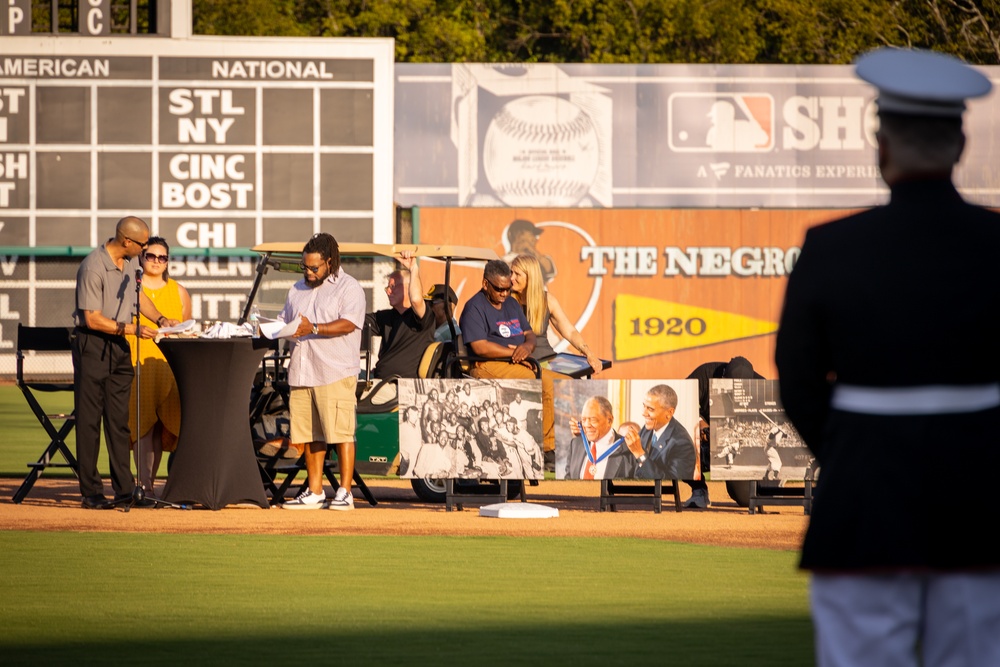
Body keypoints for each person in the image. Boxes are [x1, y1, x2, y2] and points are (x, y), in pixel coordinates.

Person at [774, 48, 1000, 667]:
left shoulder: (831, 247)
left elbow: (797, 380)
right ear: (958, 145)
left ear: (883, 148)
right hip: (982, 496)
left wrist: (854, 450)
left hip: (864, 495)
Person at [72, 216, 179, 509]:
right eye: (143, 245)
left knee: (120, 422)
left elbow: (138, 297)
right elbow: (92, 318)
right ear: (127, 241)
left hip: (118, 346)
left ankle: (124, 491)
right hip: (92, 344)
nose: (146, 250)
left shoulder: (130, 265)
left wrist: (159, 319)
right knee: (90, 422)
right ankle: (91, 493)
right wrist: (133, 330)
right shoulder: (92, 267)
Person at [279, 233, 365, 510]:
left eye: (314, 267)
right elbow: (285, 321)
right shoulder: (297, 289)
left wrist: (313, 328)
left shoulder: (349, 288)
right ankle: (315, 491)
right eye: (305, 266)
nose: (309, 272)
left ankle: (345, 492)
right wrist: (268, 327)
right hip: (303, 371)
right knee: (310, 434)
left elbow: (349, 324)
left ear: (330, 262)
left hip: (335, 371)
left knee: (341, 433)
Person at [459, 259, 560, 459]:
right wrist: (514, 352)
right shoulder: (474, 307)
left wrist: (527, 347)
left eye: (508, 288)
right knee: (549, 385)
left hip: (517, 361)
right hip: (488, 365)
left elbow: (529, 334)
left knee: (565, 383)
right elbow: (480, 347)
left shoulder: (512, 303)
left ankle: (557, 444)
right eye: (499, 289)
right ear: (485, 283)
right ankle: (548, 451)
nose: (505, 294)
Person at [126, 237, 191, 496]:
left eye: (161, 257)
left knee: (162, 427)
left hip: (168, 365)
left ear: (167, 262)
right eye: (150, 256)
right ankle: (145, 485)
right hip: (137, 361)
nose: (155, 261)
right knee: (142, 425)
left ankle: (149, 484)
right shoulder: (130, 287)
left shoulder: (179, 291)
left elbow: (186, 330)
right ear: (142, 258)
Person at [683, 356, 763, 508]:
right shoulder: (705, 373)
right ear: (724, 375)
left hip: (740, 449)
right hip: (707, 440)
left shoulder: (761, 384)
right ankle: (699, 491)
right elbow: (681, 400)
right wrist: (699, 421)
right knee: (679, 442)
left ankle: (770, 482)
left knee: (746, 500)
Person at [510, 253, 602, 373]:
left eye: (517, 274)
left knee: (572, 380)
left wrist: (589, 353)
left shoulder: (548, 300)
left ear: (530, 277)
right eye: (511, 272)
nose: (511, 278)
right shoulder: (506, 300)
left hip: (546, 361)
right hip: (522, 364)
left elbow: (570, 331)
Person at [364, 251, 435, 403]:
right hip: (381, 382)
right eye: (387, 287)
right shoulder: (387, 317)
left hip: (402, 387)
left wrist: (413, 268)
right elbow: (355, 321)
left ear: (408, 288)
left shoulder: (423, 318)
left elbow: (416, 300)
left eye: (393, 286)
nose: (388, 291)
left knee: (355, 394)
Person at [621, 384, 696, 480]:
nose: (644, 413)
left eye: (650, 409)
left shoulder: (682, 444)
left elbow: (670, 484)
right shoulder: (649, 427)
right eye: (644, 406)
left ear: (669, 413)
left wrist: (640, 454)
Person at [563, 396, 633, 480]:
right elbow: (568, 482)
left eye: (593, 420)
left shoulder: (628, 449)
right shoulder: (576, 444)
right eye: (584, 420)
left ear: (609, 420)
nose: (587, 425)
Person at [502, 219, 556, 284]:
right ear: (519, 235)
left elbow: (548, 269)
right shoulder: (503, 262)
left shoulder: (536, 259)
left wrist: (533, 251)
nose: (535, 239)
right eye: (531, 234)